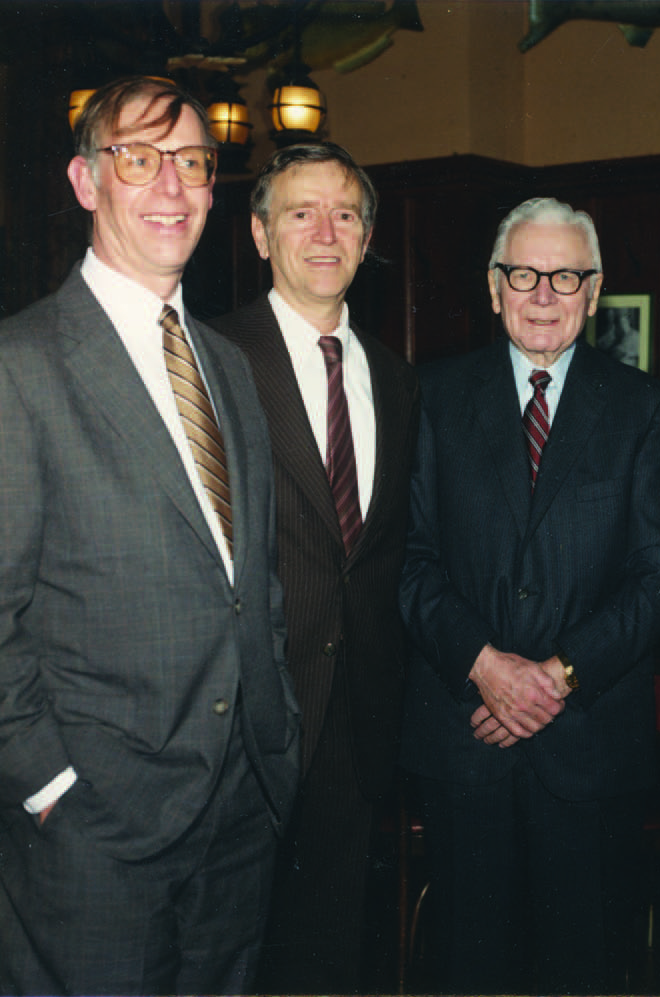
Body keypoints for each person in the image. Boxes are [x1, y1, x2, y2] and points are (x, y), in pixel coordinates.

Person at [0, 76, 300, 997]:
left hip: (241, 810)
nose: (172, 187)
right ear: (88, 183)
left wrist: (274, 734)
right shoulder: (22, 365)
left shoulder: (230, 365)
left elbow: (250, 581)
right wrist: (50, 787)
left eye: (194, 163)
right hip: (95, 833)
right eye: (140, 158)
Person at [400, 197, 660, 995]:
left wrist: (557, 675)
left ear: (594, 288)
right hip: (465, 752)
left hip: (591, 759)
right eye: (523, 273)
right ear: (492, 286)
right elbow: (407, 562)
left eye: (565, 276)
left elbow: (654, 574)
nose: (543, 293)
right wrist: (485, 665)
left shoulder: (644, 407)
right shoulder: (432, 398)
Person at [212, 141, 419, 994]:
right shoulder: (210, 362)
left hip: (357, 728)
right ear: (262, 235)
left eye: (345, 215)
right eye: (300, 212)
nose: (325, 232)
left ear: (368, 239)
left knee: (330, 960)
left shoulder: (401, 380)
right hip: (241, 724)